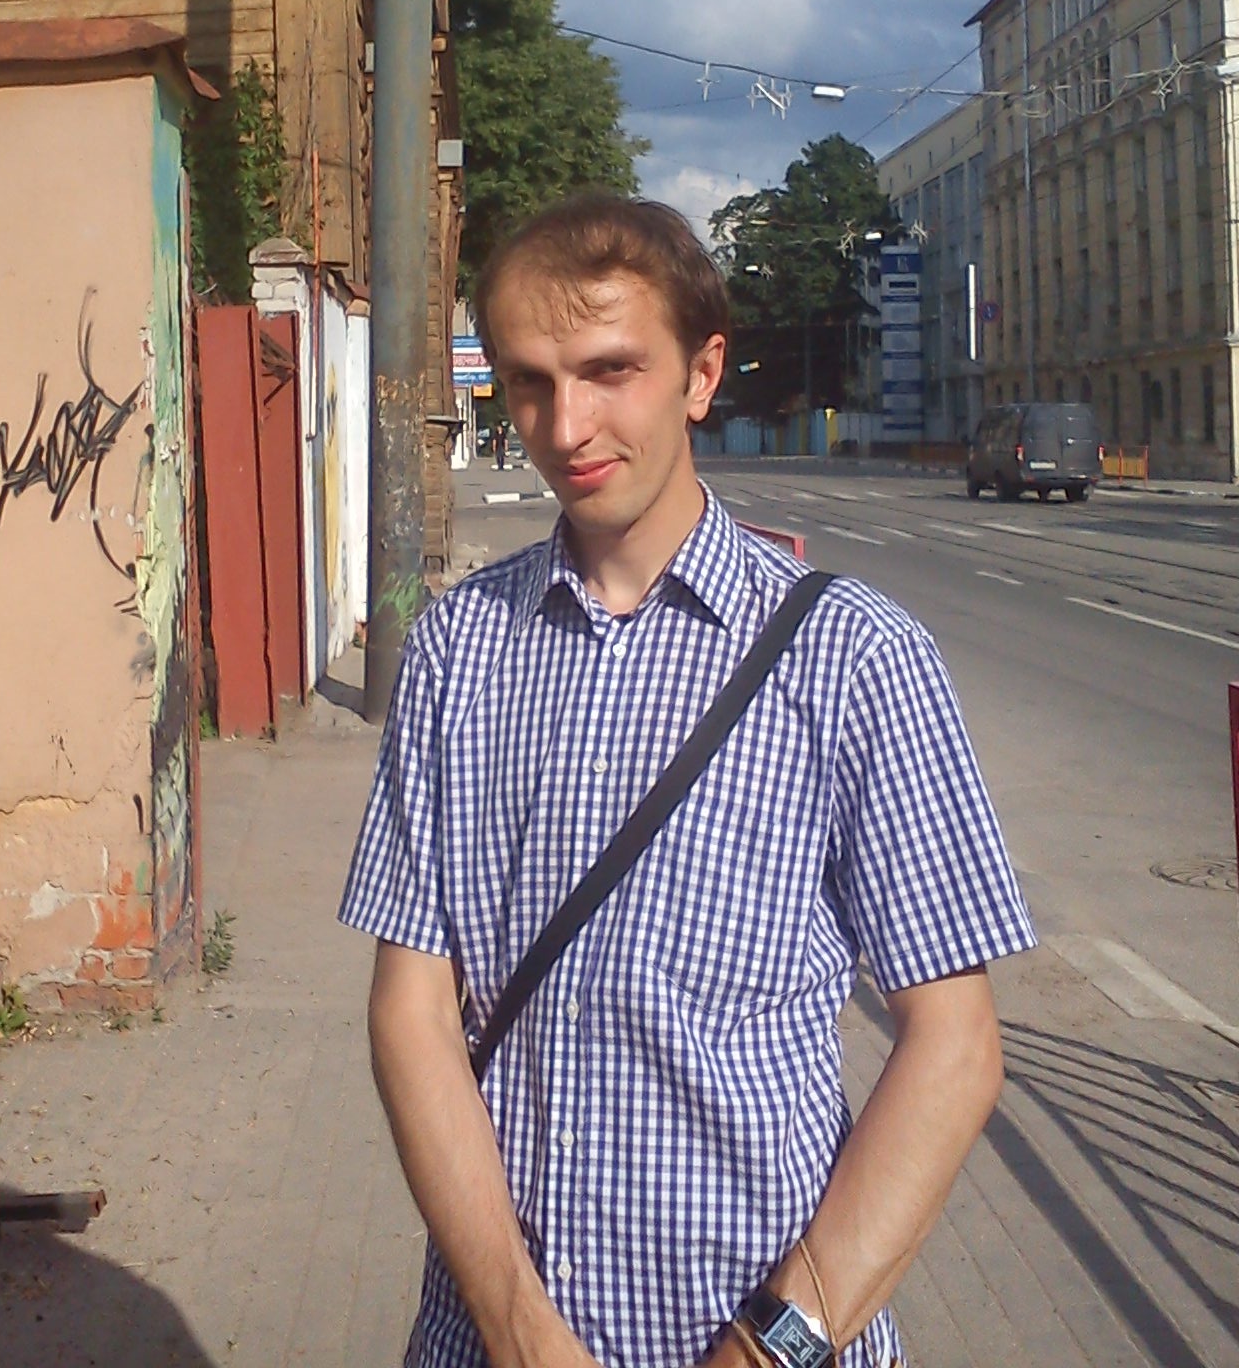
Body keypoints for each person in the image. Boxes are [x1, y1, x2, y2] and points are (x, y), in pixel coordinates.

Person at [341, 193, 1035, 1368]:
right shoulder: (460, 648)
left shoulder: (854, 656)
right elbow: (412, 1009)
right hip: (490, 1335)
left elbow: (955, 1046)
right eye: (530, 381)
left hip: (767, 1330)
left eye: (610, 369)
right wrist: (514, 1325)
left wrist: (769, 1346)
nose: (567, 425)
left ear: (701, 373)